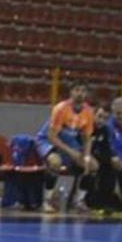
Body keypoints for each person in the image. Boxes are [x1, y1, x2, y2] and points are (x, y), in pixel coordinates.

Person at [36, 80, 98, 213]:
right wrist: (72, 153)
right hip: (48, 140)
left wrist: (86, 157)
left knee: (93, 166)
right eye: (77, 90)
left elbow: (87, 138)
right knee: (55, 162)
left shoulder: (89, 111)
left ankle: (79, 201)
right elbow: (52, 137)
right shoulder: (61, 108)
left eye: (83, 91)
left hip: (69, 142)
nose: (80, 94)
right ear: (71, 92)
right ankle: (47, 200)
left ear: (86, 94)